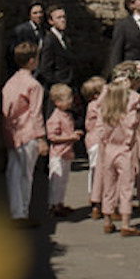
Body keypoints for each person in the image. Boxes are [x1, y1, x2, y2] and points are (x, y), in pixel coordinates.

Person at [1, 40, 49, 227]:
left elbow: (6, 111)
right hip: (28, 133)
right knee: (26, 175)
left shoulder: (10, 83)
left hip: (13, 131)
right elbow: (36, 113)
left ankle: (16, 212)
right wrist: (41, 138)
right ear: (31, 61)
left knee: (13, 173)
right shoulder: (33, 85)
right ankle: (23, 212)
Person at [98, 66, 140, 238]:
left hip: (109, 150)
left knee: (109, 186)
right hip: (124, 150)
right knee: (126, 187)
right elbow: (134, 125)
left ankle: (107, 220)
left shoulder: (106, 114)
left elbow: (101, 130)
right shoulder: (128, 115)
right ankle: (126, 223)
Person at [46, 82, 81, 217]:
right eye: (68, 99)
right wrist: (70, 137)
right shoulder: (55, 117)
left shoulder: (68, 115)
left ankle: (60, 203)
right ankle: (53, 205)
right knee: (56, 179)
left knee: (64, 180)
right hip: (58, 154)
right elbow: (52, 137)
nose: (71, 101)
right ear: (57, 102)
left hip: (67, 152)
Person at [36, 4, 78, 107]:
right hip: (58, 92)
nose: (63, 20)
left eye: (64, 17)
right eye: (59, 17)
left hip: (68, 87)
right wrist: (58, 86)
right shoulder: (49, 40)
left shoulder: (64, 38)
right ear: (51, 21)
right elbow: (45, 69)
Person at [82, 75, 107, 218]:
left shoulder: (94, 105)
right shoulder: (96, 105)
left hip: (94, 140)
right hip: (96, 140)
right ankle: (96, 199)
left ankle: (96, 197)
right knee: (97, 170)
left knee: (97, 169)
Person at [5, 1, 47, 77]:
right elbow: (13, 53)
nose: (39, 15)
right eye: (35, 13)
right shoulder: (21, 31)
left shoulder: (44, 31)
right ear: (29, 15)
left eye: (41, 12)